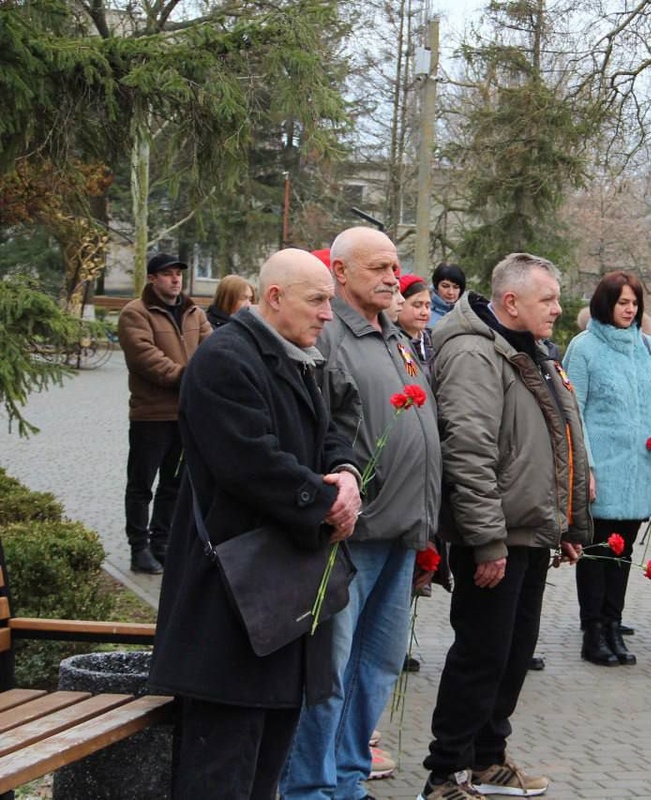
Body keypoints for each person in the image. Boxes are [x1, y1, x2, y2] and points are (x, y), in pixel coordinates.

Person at [148, 249, 362, 799]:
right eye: (317, 301)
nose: (328, 314)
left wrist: (345, 475)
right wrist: (326, 504)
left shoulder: (295, 354)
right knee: (221, 776)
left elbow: (328, 433)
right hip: (228, 614)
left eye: (330, 301)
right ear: (274, 297)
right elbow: (251, 462)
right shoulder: (225, 359)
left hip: (277, 609)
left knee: (263, 776)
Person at [419, 253, 591, 800]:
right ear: (511, 302)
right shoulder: (473, 352)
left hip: (529, 530)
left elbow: (560, 437)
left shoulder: (531, 349)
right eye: (548, 299)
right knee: (481, 654)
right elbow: (469, 451)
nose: (557, 309)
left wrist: (568, 523)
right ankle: (445, 774)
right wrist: (486, 539)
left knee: (513, 652)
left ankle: (488, 759)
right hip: (495, 537)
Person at [279, 227, 441, 800]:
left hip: (403, 532)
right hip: (352, 535)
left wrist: (427, 525)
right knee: (330, 672)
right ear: (341, 272)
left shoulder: (396, 337)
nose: (393, 279)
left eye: (395, 268)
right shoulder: (328, 335)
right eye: (379, 268)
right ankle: (308, 787)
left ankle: (348, 781)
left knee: (378, 666)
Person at [563, 270, 651, 667]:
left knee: (623, 552)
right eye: (622, 302)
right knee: (596, 552)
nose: (629, 309)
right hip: (602, 469)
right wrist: (586, 468)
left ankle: (613, 625)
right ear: (605, 304)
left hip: (639, 468)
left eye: (634, 303)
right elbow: (572, 411)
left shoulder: (647, 347)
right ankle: (593, 631)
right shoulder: (584, 347)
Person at [117, 252, 212, 574]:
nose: (175, 279)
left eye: (178, 274)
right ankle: (138, 548)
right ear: (152, 278)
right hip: (151, 414)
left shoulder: (194, 312)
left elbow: (211, 349)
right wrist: (188, 377)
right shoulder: (135, 312)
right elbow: (144, 357)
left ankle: (163, 542)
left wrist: (208, 376)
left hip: (186, 415)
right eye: (168, 274)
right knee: (141, 485)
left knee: (174, 485)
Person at [395, 273, 436, 367]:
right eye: (417, 305)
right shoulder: (392, 342)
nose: (424, 312)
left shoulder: (434, 340)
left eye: (428, 306)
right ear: (399, 303)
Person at [429, 261, 466, 327]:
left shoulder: (468, 313)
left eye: (456, 287)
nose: (450, 292)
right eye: (445, 286)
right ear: (436, 286)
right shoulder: (424, 313)